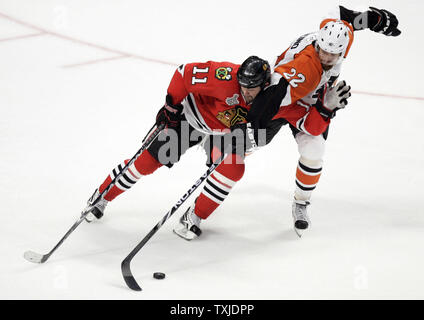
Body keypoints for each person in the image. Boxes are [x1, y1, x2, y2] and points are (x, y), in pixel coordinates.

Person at [241, 5, 401, 236]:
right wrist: (251, 122)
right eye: (323, 51)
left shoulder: (335, 34)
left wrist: (372, 19)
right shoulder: (306, 67)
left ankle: (301, 203)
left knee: (315, 150)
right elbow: (273, 97)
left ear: (343, 51)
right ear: (317, 45)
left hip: (307, 102)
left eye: (332, 54)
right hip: (283, 102)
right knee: (250, 139)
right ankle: (231, 153)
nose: (326, 56)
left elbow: (341, 16)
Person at [84, 56, 279, 240]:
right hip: (192, 119)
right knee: (146, 163)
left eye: (251, 88)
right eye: (243, 86)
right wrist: (171, 107)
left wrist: (244, 143)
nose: (245, 92)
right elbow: (183, 73)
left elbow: (261, 137)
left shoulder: (274, 101)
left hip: (224, 134)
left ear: (265, 85)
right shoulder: (225, 76)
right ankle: (101, 196)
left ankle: (194, 216)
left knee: (233, 168)